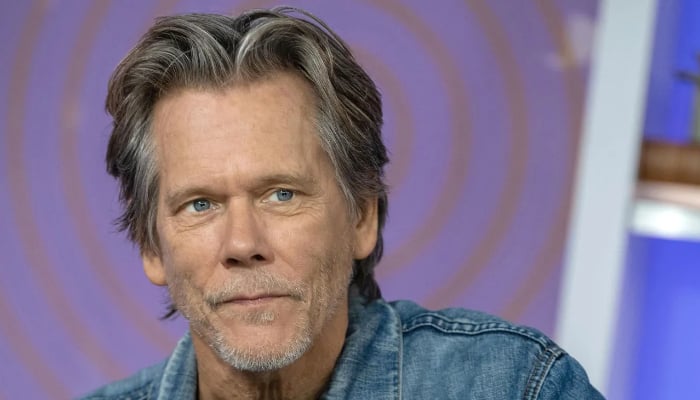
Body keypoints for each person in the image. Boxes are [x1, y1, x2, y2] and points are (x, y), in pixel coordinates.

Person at [82, 7, 604, 400]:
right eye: (200, 205)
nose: (242, 243)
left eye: (281, 194)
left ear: (362, 216)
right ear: (151, 245)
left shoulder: (518, 387)